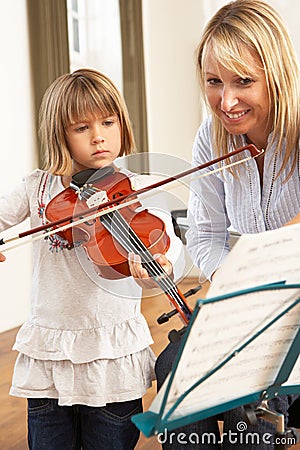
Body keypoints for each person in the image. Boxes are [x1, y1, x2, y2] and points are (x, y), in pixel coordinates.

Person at [0, 68, 184, 449]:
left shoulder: (139, 189)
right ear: (60, 135)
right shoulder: (38, 188)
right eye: (81, 127)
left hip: (110, 359)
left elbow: (162, 257)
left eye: (108, 121)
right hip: (50, 356)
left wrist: (153, 270)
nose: (99, 136)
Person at [152, 0, 300, 448]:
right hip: (252, 305)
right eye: (214, 82)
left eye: (244, 82)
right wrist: (228, 282)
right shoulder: (210, 138)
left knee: (248, 398)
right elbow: (206, 234)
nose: (226, 101)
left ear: (276, 76)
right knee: (175, 370)